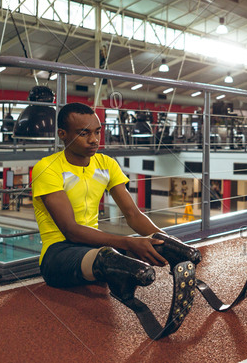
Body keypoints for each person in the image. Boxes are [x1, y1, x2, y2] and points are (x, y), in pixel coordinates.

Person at [32, 102, 169, 298]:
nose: (94, 140)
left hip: (94, 247)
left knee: (161, 246)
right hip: (58, 253)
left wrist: (167, 240)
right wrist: (129, 243)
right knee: (110, 258)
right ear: (62, 134)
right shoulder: (47, 168)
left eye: (97, 132)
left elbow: (133, 214)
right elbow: (71, 231)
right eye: (84, 133)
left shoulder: (106, 163)